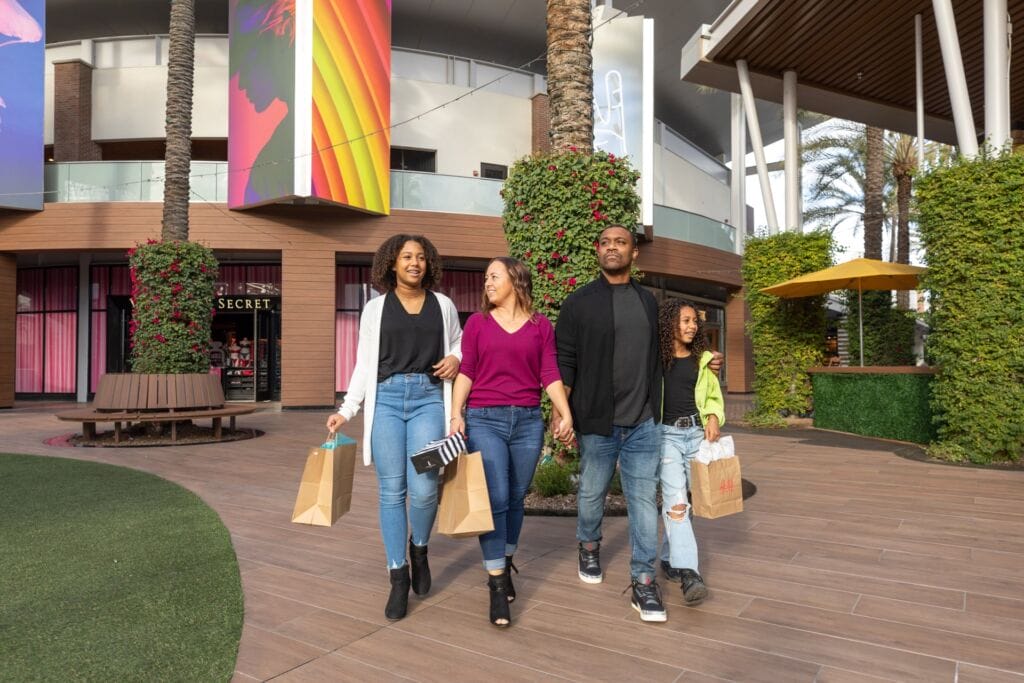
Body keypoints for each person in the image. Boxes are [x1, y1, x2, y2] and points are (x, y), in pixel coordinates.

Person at [553, 224, 721, 623]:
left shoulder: (649, 303)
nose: (613, 248)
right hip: (596, 420)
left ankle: (644, 581)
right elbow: (565, 361)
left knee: (644, 503)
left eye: (621, 243)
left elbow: (675, 346)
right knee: (592, 493)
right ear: (598, 251)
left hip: (644, 422)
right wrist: (563, 412)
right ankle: (589, 545)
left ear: (634, 254)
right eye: (606, 243)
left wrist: (705, 359)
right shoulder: (578, 303)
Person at [326, 234, 462, 622]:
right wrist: (347, 409)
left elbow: (459, 343)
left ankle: (419, 547)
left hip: (428, 400)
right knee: (391, 491)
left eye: (420, 257)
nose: (414, 263)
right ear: (392, 264)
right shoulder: (375, 309)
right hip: (385, 401)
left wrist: (455, 357)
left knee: (423, 488)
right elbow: (364, 364)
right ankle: (397, 574)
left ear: (428, 264)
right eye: (406, 257)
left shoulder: (445, 305)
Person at [450, 257, 573, 628]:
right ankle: (496, 583)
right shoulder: (477, 323)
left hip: (527, 423)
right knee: (496, 497)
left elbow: (549, 372)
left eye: (494, 276)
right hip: (484, 419)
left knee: (516, 497)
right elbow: (467, 369)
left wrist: (564, 413)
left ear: (516, 281)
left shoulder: (540, 327)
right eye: (486, 277)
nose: (487, 282)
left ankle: (504, 559)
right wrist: (456, 412)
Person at [657, 297, 724, 607]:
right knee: (676, 502)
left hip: (697, 435)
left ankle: (671, 557)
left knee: (692, 501)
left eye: (694, 321)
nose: (691, 325)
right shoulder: (655, 359)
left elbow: (713, 396)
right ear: (670, 323)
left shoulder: (703, 359)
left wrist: (713, 418)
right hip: (666, 436)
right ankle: (689, 575)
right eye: (685, 320)